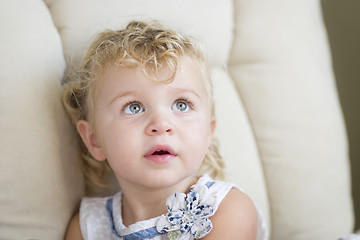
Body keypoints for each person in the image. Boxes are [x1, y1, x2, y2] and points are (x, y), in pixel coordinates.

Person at [62, 21, 268, 240]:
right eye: (134, 107)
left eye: (181, 105)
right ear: (94, 140)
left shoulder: (227, 209)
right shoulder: (88, 226)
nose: (161, 124)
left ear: (208, 132)